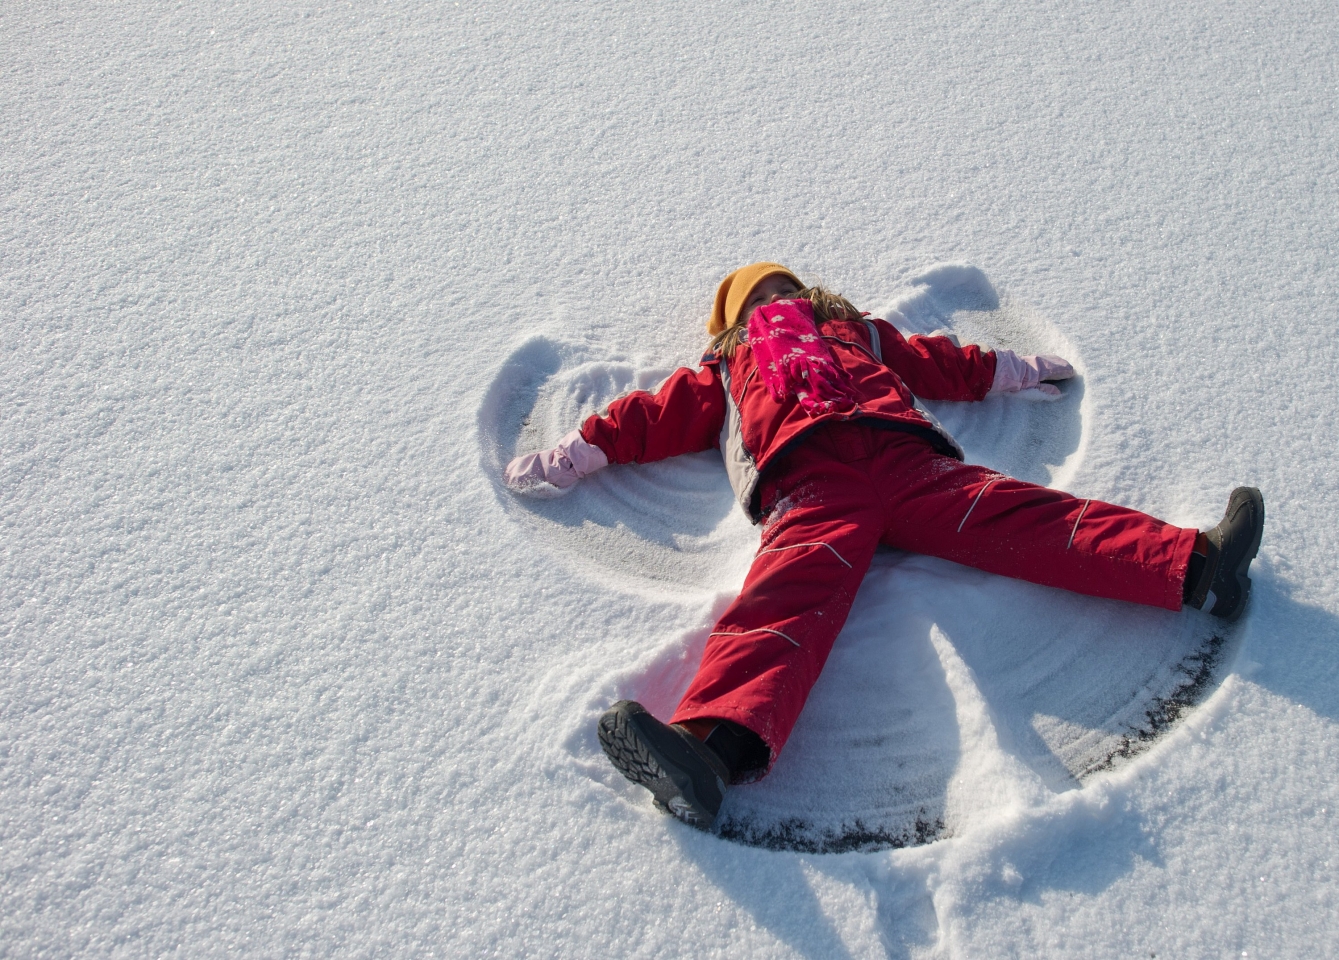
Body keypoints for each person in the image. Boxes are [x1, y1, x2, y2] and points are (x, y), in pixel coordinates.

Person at [504, 262, 1265, 831]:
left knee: (1026, 517)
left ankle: (1197, 567)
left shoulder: (859, 332)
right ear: (732, 321)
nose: (779, 299)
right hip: (810, 483)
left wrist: (1011, 369)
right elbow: (652, 415)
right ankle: (708, 751)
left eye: (786, 286)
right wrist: (579, 452)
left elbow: (936, 361)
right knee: (783, 601)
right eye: (759, 297)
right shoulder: (729, 368)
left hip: (907, 463)